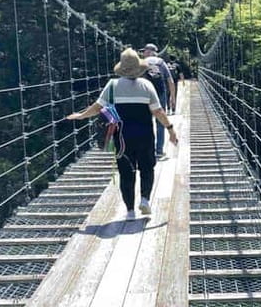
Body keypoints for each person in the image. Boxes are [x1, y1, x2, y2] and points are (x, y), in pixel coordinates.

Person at [66, 48, 178, 217]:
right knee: (147, 169)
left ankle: (130, 211)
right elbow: (158, 111)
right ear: (139, 68)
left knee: (126, 174)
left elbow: (97, 107)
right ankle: (145, 199)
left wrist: (81, 116)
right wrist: (170, 130)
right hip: (145, 136)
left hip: (122, 138)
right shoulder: (146, 85)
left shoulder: (112, 85)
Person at [139, 43, 175, 158]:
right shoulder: (161, 63)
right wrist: (172, 98)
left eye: (144, 51)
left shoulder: (142, 62)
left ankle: (147, 149)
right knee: (160, 122)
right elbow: (170, 81)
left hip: (145, 95)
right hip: (160, 94)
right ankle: (159, 150)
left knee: (146, 122)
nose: (143, 53)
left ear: (148, 52)